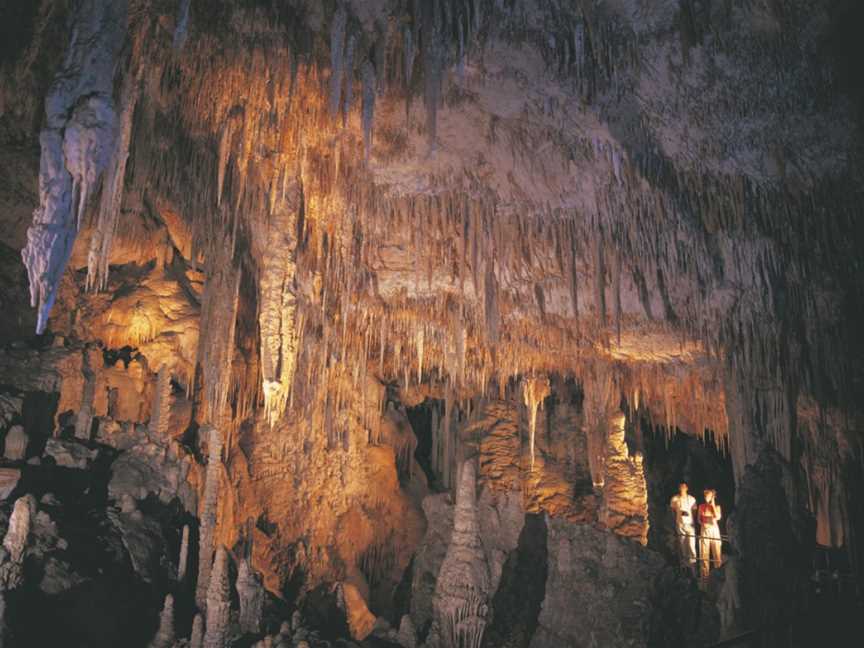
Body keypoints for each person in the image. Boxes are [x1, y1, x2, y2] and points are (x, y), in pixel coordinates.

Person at [670, 482, 697, 568]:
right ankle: (685, 565)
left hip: (690, 523)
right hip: (680, 524)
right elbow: (672, 511)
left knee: (691, 544)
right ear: (679, 488)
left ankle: (693, 565)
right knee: (682, 544)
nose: (682, 489)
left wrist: (693, 520)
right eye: (681, 487)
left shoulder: (692, 499)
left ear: (687, 488)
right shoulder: (675, 499)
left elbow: (694, 511)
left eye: (684, 487)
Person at [699, 488, 723, 577]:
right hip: (705, 529)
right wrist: (705, 522)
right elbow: (699, 519)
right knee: (704, 553)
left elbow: (717, 517)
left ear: (712, 496)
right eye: (705, 495)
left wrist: (712, 504)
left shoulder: (717, 507)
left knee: (717, 552)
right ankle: (704, 576)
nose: (706, 497)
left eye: (708, 495)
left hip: (714, 530)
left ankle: (719, 574)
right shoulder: (701, 506)